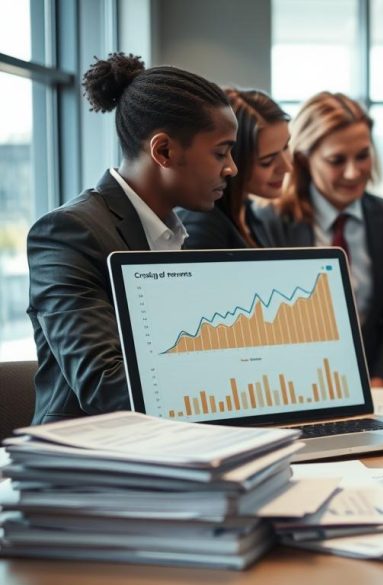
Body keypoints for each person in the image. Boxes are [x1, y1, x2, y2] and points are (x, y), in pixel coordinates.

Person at [27, 53, 238, 424]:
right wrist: (242, 373)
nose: (231, 167)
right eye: (220, 152)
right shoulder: (69, 233)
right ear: (164, 151)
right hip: (90, 458)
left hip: (180, 442)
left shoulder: (173, 234)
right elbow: (103, 383)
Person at [251, 92, 383, 387]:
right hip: (293, 383)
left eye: (363, 156)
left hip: (372, 385)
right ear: (303, 159)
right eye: (337, 160)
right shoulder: (271, 220)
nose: (353, 172)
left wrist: (382, 377)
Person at [179, 88, 292, 248]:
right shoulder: (202, 228)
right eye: (267, 161)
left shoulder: (248, 214)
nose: (287, 167)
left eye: (286, 146)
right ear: (230, 159)